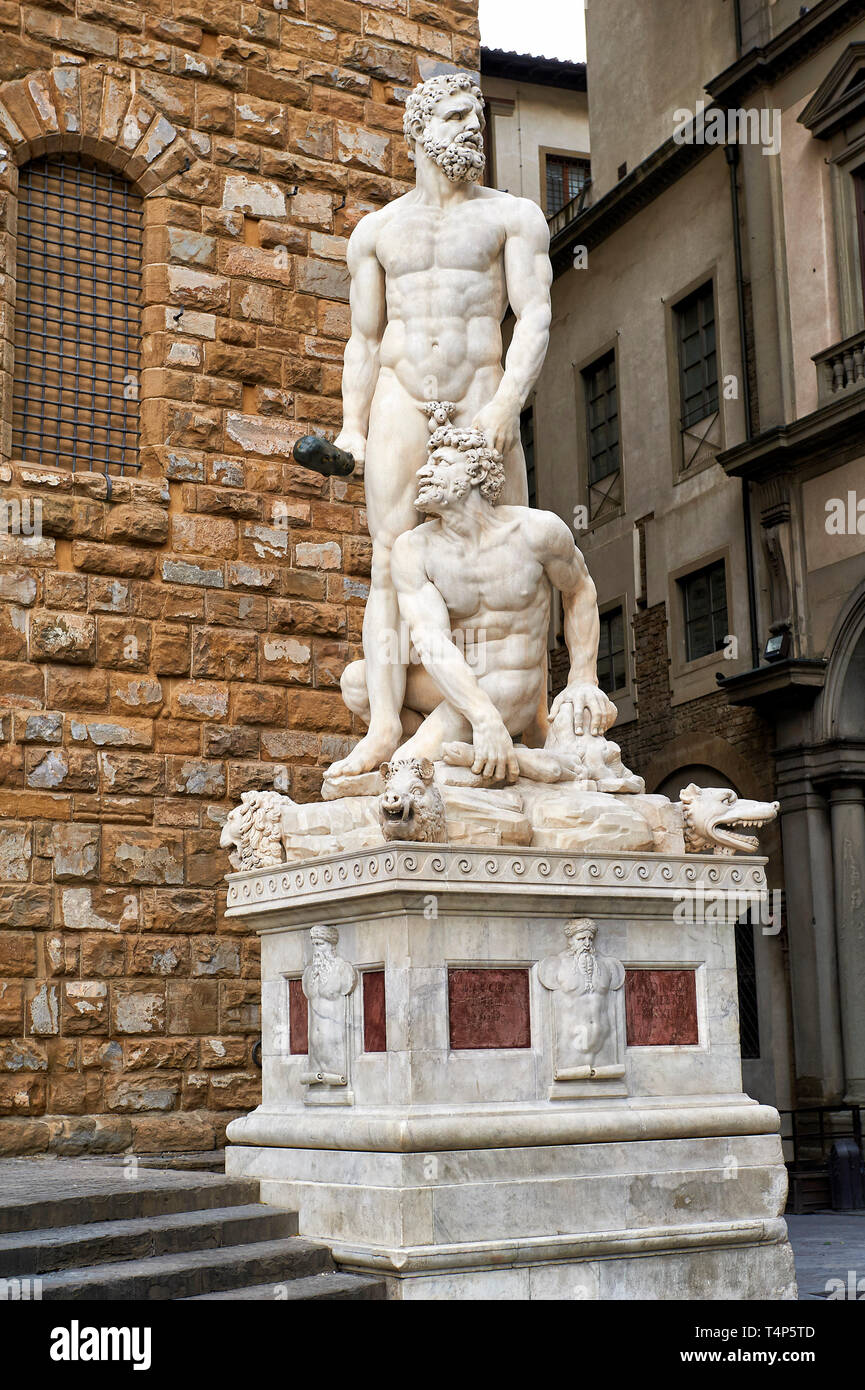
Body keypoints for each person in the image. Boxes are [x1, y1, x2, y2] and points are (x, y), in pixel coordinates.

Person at [327, 71, 552, 779]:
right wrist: (351, 428)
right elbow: (363, 338)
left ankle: (526, 724)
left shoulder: (511, 216)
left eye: (476, 116)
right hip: (401, 396)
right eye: (455, 114)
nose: (470, 127)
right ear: (419, 128)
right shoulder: (375, 231)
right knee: (390, 560)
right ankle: (386, 726)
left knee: (507, 551)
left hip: (482, 389)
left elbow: (535, 316)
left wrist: (505, 403)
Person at [341, 417, 617, 782]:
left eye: (439, 463)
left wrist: (583, 676)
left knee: (405, 771)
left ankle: (452, 750)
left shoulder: (537, 532)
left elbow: (579, 589)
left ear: (474, 471)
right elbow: (432, 641)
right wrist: (483, 717)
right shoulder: (414, 548)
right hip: (457, 679)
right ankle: (488, 753)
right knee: (357, 681)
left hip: (510, 681)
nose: (423, 471)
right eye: (426, 462)